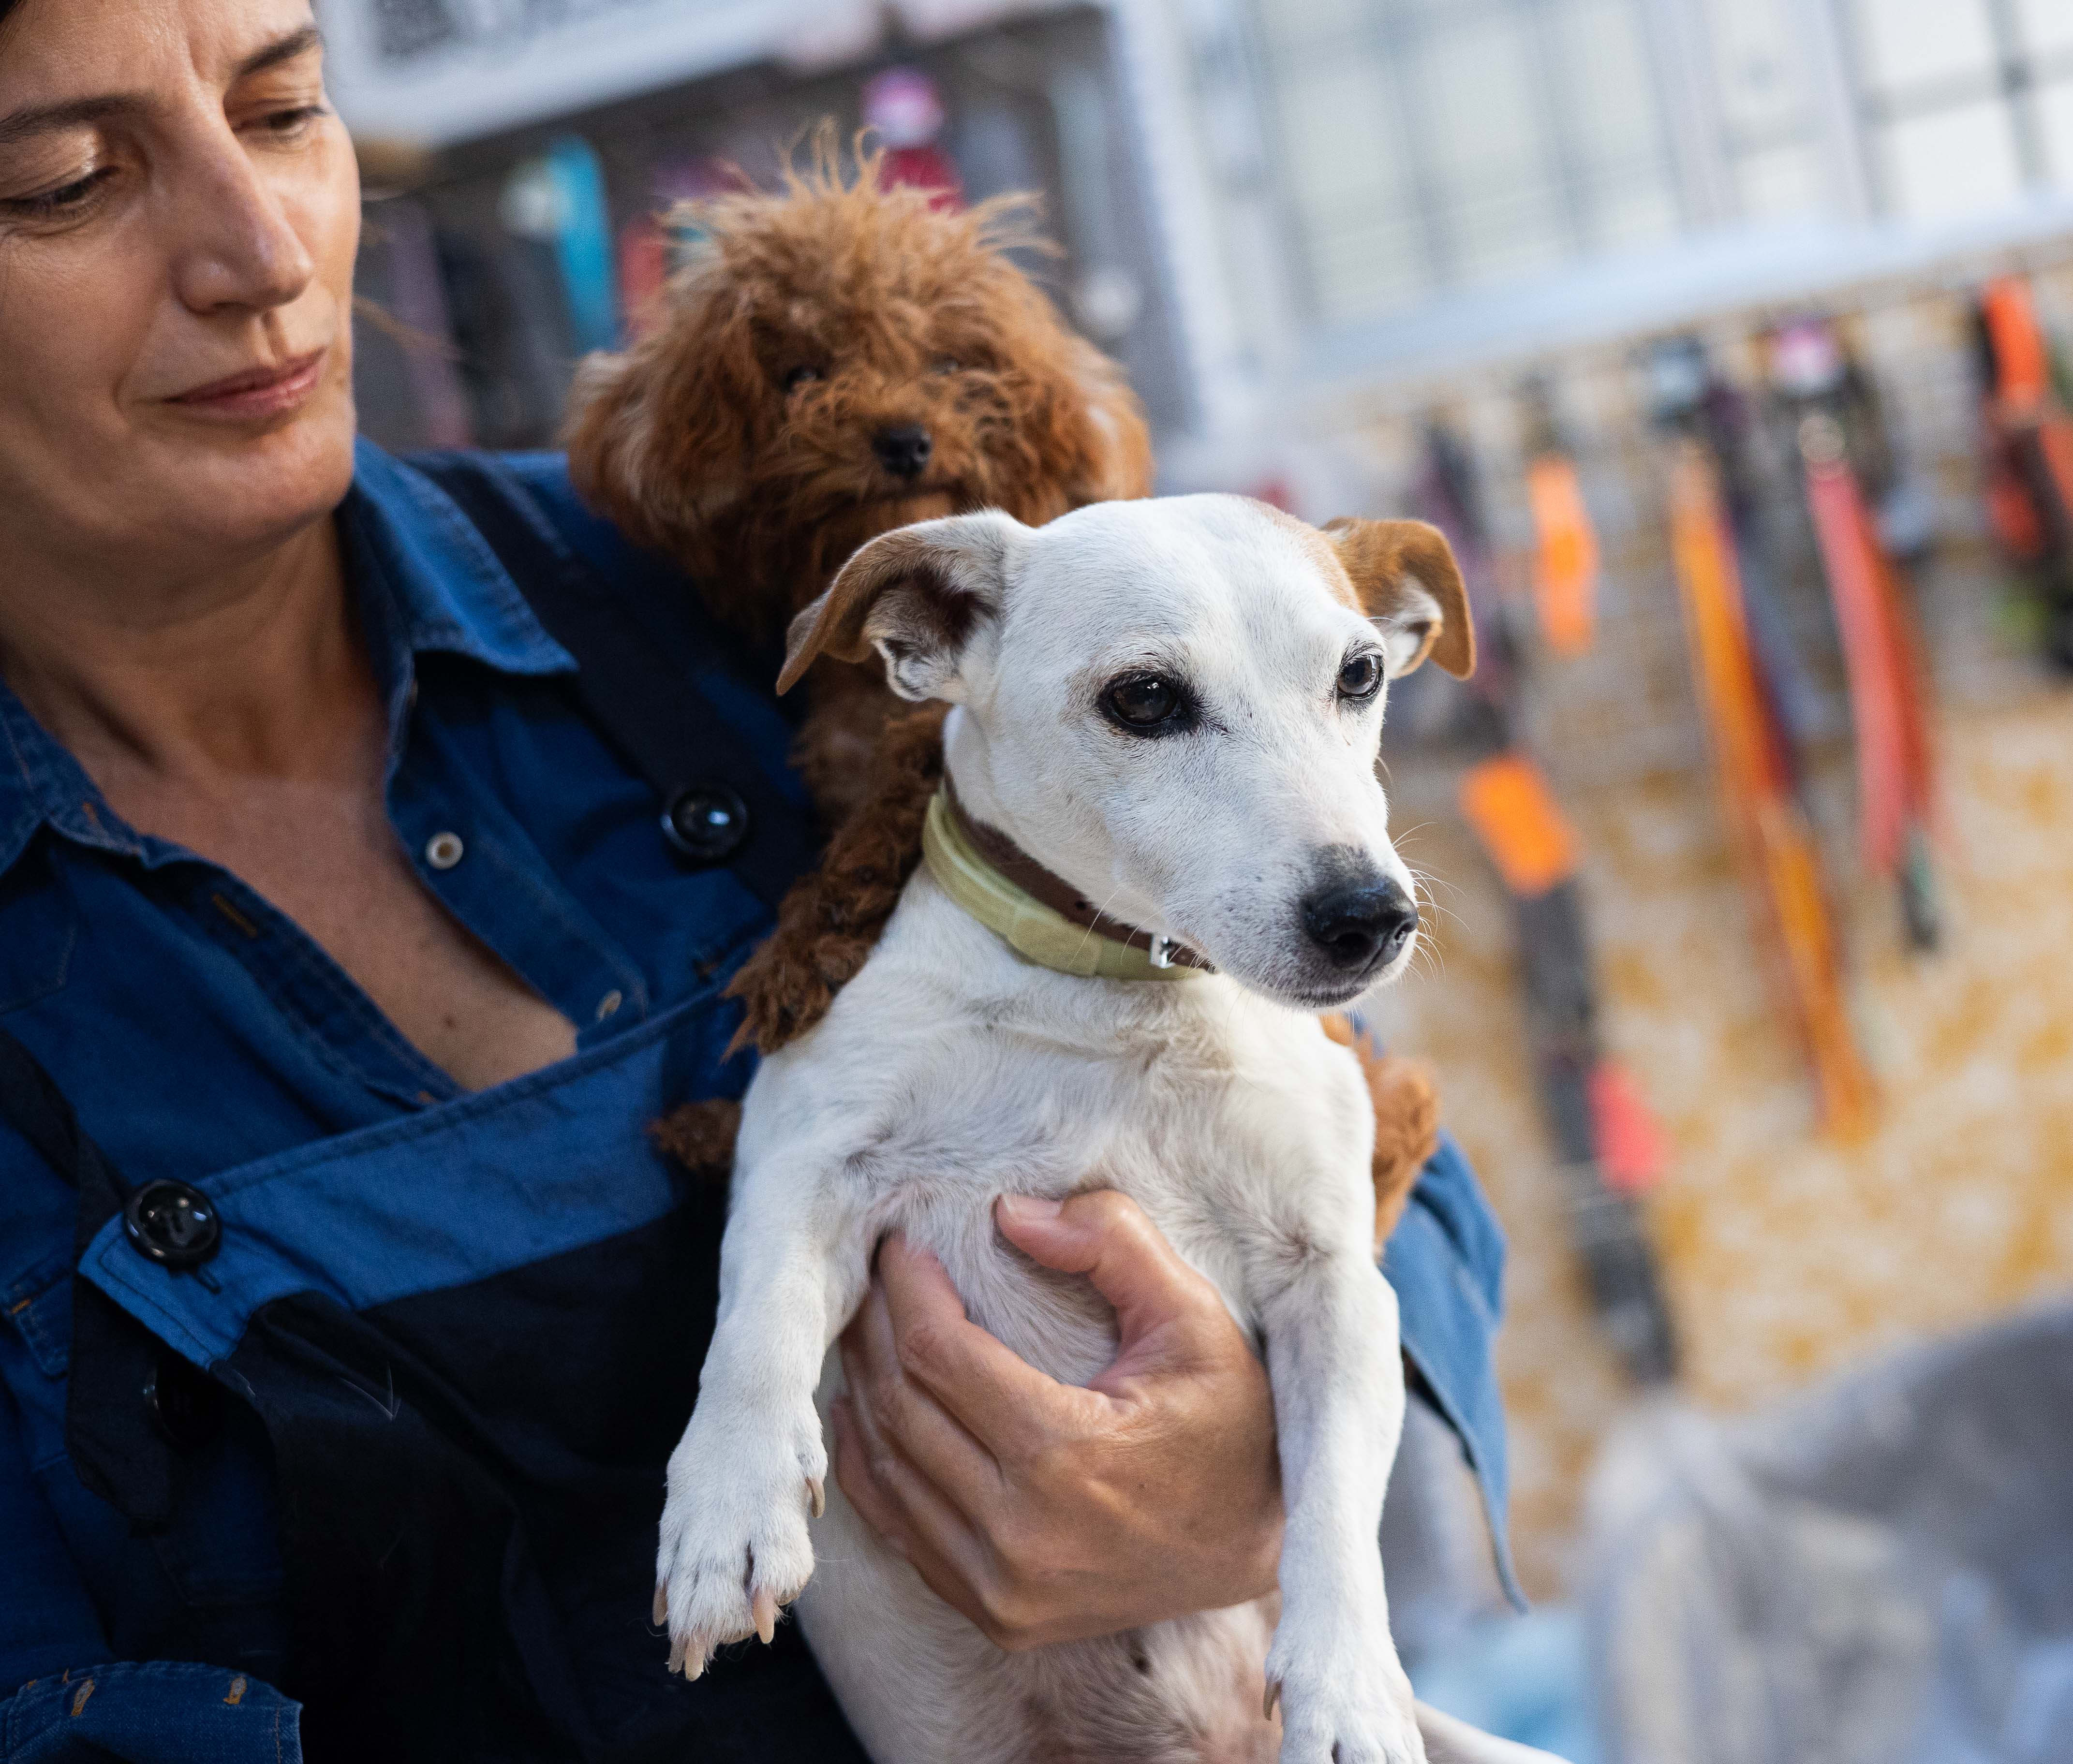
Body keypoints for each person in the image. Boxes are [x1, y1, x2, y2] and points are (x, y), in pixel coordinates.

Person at [0, 4, 1515, 1759]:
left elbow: (1367, 1147)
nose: (261, 254)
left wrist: (1246, 1471)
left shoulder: (715, 559)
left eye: (284, 111)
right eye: (68, 181)